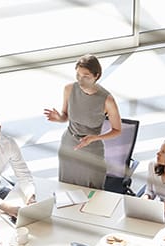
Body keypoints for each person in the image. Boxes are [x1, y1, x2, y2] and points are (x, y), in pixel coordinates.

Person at [44, 54, 122, 189]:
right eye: (78, 76)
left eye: (85, 76)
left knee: (92, 192)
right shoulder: (69, 89)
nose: (81, 81)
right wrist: (59, 118)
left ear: (96, 76)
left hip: (92, 149)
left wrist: (95, 137)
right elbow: (65, 116)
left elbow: (117, 130)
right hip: (68, 145)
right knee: (67, 190)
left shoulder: (107, 100)